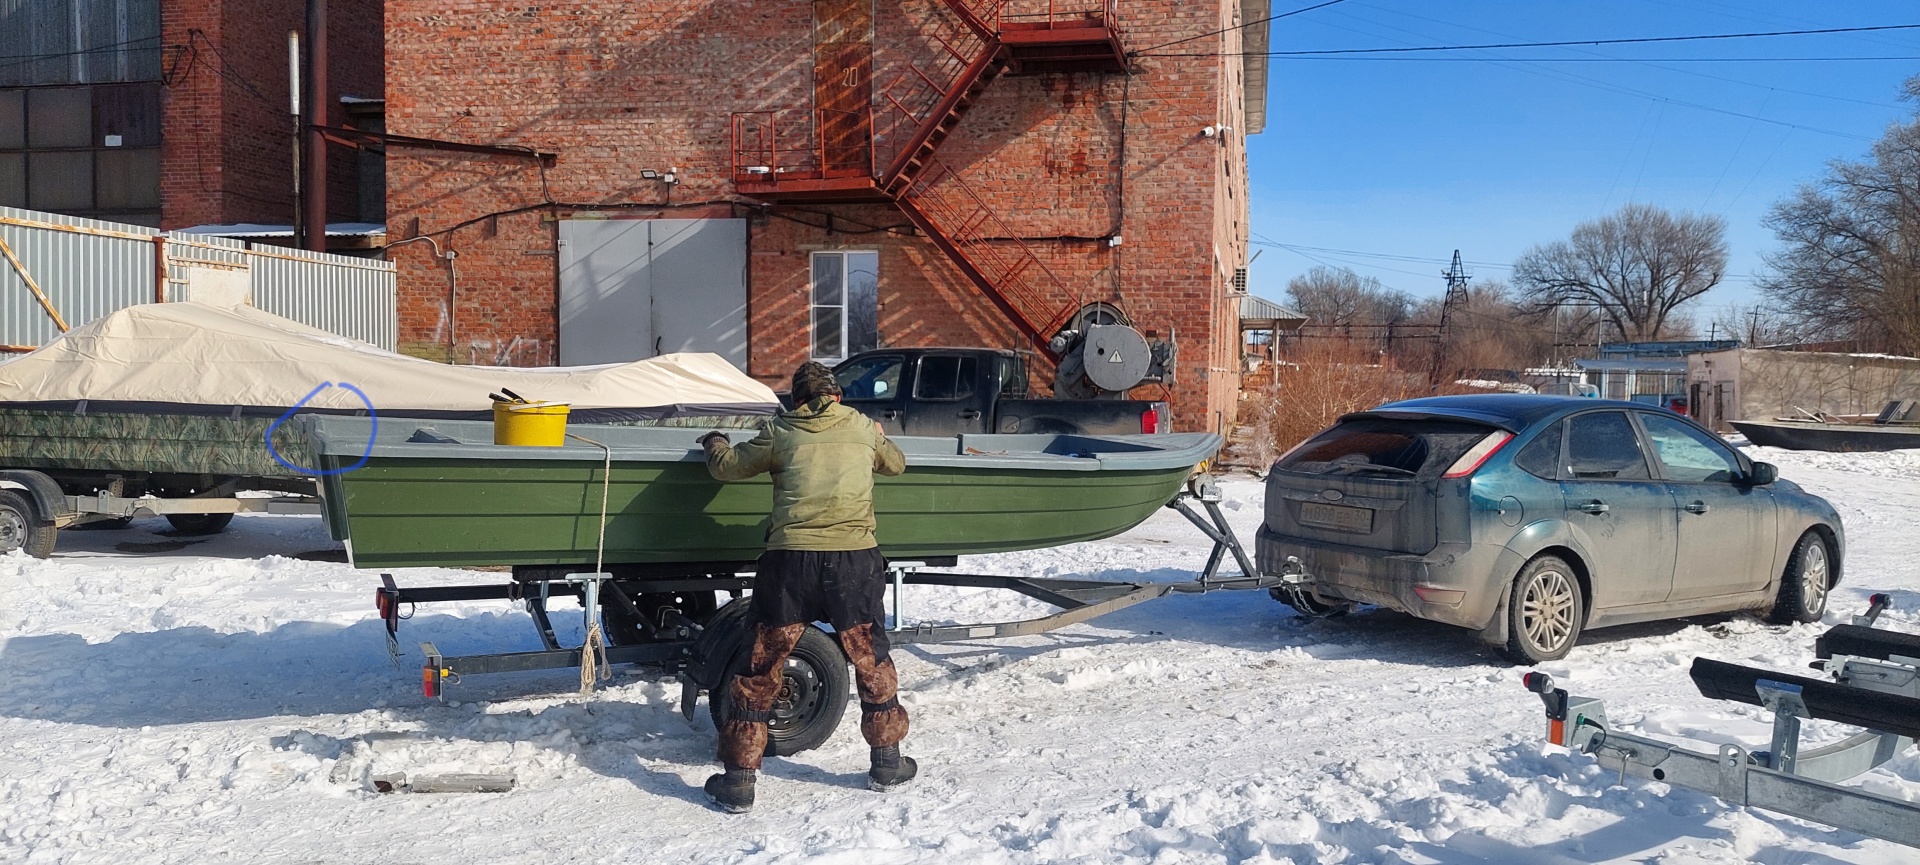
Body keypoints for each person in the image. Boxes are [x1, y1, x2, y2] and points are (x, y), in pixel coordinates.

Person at [696, 360, 912, 813]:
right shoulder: (859, 427)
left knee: (760, 666)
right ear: (836, 396)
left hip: (789, 563)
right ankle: (887, 762)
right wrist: (876, 434)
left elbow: (727, 468)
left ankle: (739, 781)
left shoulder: (779, 431)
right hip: (854, 563)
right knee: (871, 659)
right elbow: (896, 465)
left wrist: (715, 442)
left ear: (796, 399)